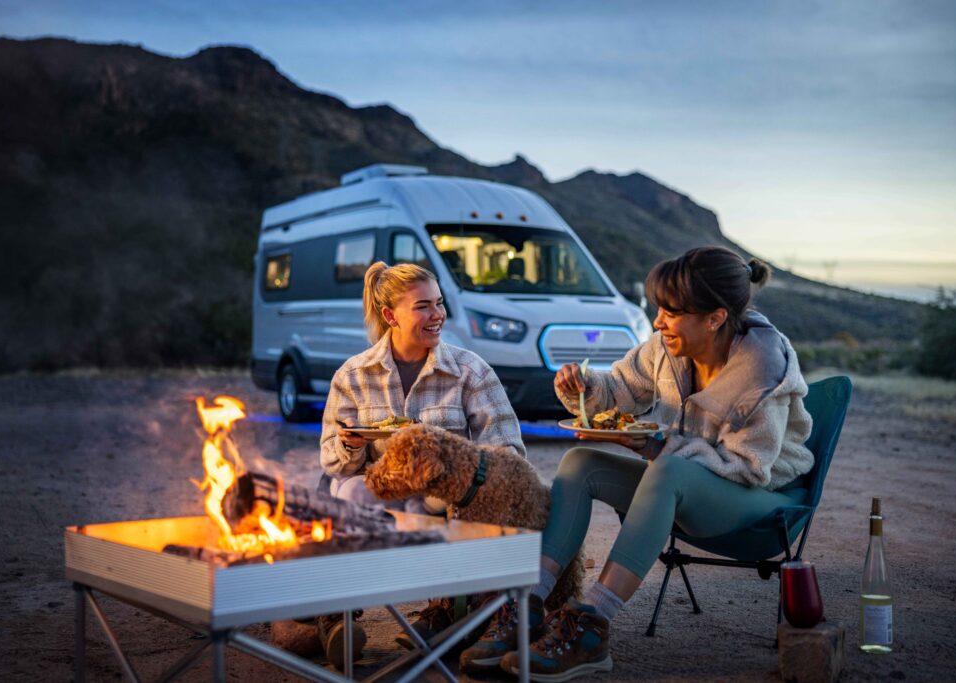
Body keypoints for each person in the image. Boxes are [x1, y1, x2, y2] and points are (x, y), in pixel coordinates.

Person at [464, 246, 815, 681]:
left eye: (672, 311)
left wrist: (656, 445)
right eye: (658, 309)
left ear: (715, 318)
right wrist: (582, 386)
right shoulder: (667, 348)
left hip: (759, 501)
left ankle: (591, 625)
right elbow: (616, 391)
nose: (658, 321)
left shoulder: (763, 369)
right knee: (579, 463)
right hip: (679, 484)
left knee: (666, 470)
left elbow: (748, 465)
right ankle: (526, 603)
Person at [317, 261, 526, 663]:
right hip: (384, 500)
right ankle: (340, 614)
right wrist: (352, 444)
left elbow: (509, 454)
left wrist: (454, 465)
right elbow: (332, 462)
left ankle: (444, 611)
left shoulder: (470, 371)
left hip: (443, 501)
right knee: (344, 489)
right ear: (390, 316)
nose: (438, 315)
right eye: (424, 307)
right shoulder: (353, 375)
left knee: (449, 502)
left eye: (440, 304)